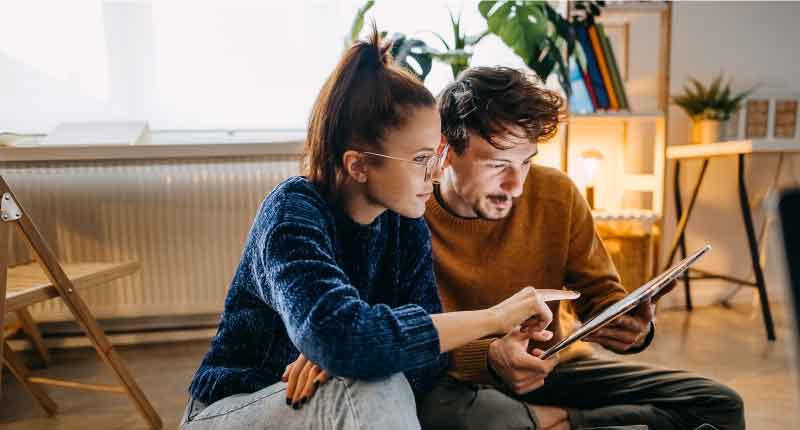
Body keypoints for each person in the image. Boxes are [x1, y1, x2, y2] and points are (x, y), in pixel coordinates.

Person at [181, 32, 576, 430]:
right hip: (233, 409)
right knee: (370, 388)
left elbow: (425, 368)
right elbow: (345, 339)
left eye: (435, 155)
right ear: (358, 165)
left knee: (379, 381)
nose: (436, 173)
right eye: (421, 158)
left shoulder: (406, 225)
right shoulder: (291, 213)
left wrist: (352, 346)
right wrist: (495, 318)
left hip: (331, 404)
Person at [415, 66, 745, 430]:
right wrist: (488, 357)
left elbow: (601, 296)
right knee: (457, 415)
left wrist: (630, 326)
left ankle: (560, 423)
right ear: (445, 150)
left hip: (550, 369)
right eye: (497, 164)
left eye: (526, 162)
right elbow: (402, 336)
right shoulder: (407, 211)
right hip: (458, 380)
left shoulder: (556, 193)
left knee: (718, 405)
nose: (516, 185)